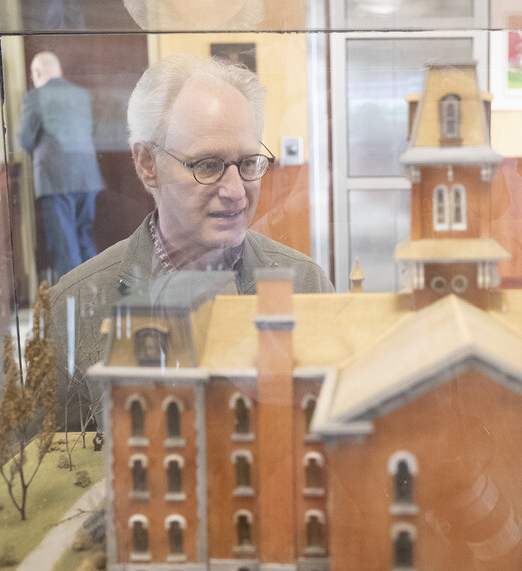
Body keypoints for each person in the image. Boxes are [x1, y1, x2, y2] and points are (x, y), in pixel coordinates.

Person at [48, 55, 332, 424]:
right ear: (147, 164)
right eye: (208, 165)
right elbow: (50, 466)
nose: (235, 192)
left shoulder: (305, 285)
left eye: (248, 163)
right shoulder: (75, 305)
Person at [18, 51, 105, 283]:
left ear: (37, 73)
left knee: (65, 246)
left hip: (55, 179)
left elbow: (26, 137)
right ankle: (95, 297)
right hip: (87, 177)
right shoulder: (81, 95)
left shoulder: (35, 96)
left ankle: (72, 307)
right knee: (84, 237)